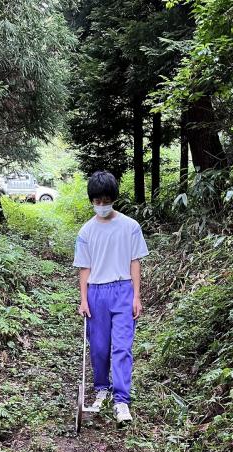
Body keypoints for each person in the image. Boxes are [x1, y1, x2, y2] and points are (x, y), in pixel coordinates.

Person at [73, 170, 148, 424]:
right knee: (99, 347)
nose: (102, 205)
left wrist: (136, 296)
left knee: (122, 347)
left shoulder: (130, 227)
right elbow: (84, 268)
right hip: (96, 292)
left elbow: (135, 261)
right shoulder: (86, 232)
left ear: (113, 199)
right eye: (97, 201)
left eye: (106, 200)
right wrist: (84, 299)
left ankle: (121, 401)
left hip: (123, 290)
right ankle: (102, 389)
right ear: (92, 201)